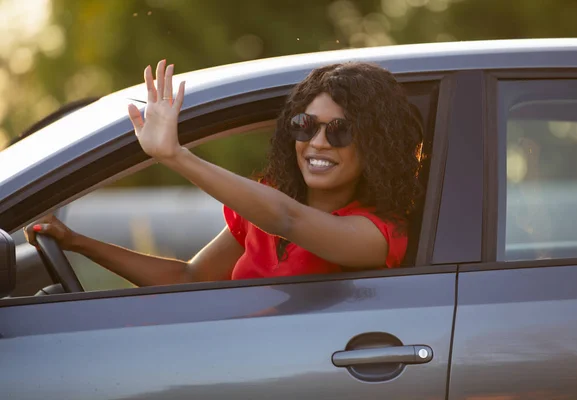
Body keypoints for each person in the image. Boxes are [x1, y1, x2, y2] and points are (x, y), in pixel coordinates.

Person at [25, 60, 423, 286]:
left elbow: (287, 218)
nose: (316, 142)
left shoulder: (378, 234)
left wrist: (176, 156)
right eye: (305, 124)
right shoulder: (262, 209)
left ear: (375, 145)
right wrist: (77, 242)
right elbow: (188, 279)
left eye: (339, 131)